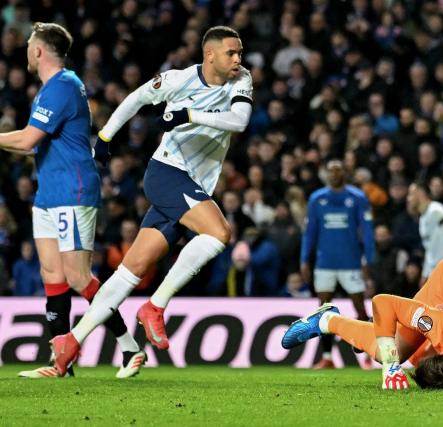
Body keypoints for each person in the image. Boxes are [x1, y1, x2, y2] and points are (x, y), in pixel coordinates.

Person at [50, 26, 253, 376]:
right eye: (231, 53)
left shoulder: (241, 79)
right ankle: (155, 306)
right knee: (219, 234)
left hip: (193, 184)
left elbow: (239, 121)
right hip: (168, 173)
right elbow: (136, 98)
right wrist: (105, 135)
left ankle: (72, 340)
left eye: (239, 53)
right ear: (210, 55)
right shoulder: (178, 80)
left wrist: (188, 116)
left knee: (131, 270)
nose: (238, 59)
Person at [0, 22, 144, 379]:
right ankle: (60, 363)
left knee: (79, 277)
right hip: (49, 192)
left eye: (30, 46)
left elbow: (27, 141)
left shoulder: (63, 87)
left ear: (39, 51)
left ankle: (129, 349)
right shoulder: (53, 88)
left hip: (72, 192)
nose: (26, 53)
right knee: (53, 275)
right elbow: (35, 143)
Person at [282, 251, 443, 391]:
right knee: (394, 353)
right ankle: (331, 322)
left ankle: (335, 322)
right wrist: (390, 367)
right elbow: (382, 300)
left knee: (395, 347)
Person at [300, 159, 375, 369]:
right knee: (324, 310)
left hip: (350, 262)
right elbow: (309, 233)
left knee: (360, 309)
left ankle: (370, 354)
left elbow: (367, 231)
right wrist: (304, 259)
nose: (334, 174)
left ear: (345, 173)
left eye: (338, 170)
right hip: (325, 263)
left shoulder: (357, 197)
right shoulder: (317, 199)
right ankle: (327, 357)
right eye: (330, 171)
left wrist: (369, 258)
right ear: (325, 174)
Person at [406, 181, 443, 281]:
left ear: (421, 193)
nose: (408, 198)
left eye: (411, 194)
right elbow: (430, 249)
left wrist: (439, 274)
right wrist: (426, 274)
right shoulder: (423, 217)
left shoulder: (436, 212)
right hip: (435, 272)